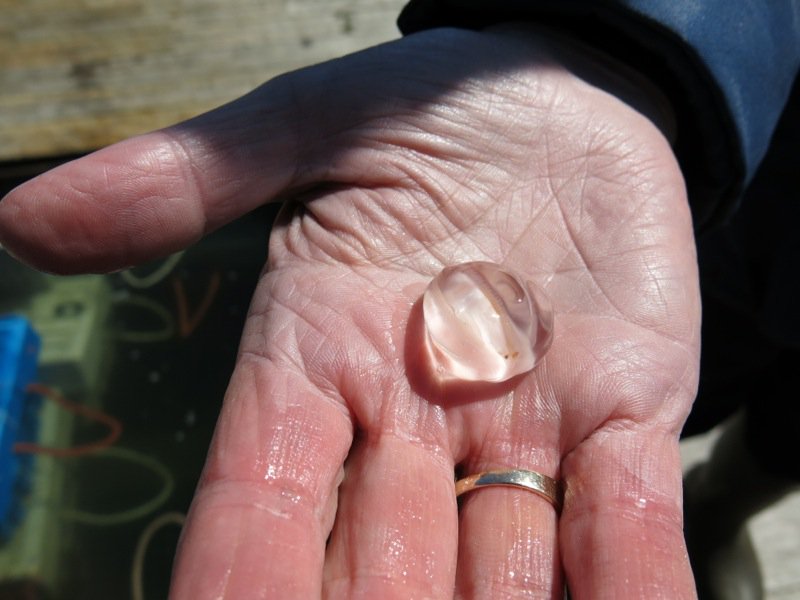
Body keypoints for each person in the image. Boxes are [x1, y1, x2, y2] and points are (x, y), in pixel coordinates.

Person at [0, 1, 797, 598]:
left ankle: (725, 502)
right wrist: (613, 52)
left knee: (759, 430)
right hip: (731, 199)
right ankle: (720, 498)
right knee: (685, 390)